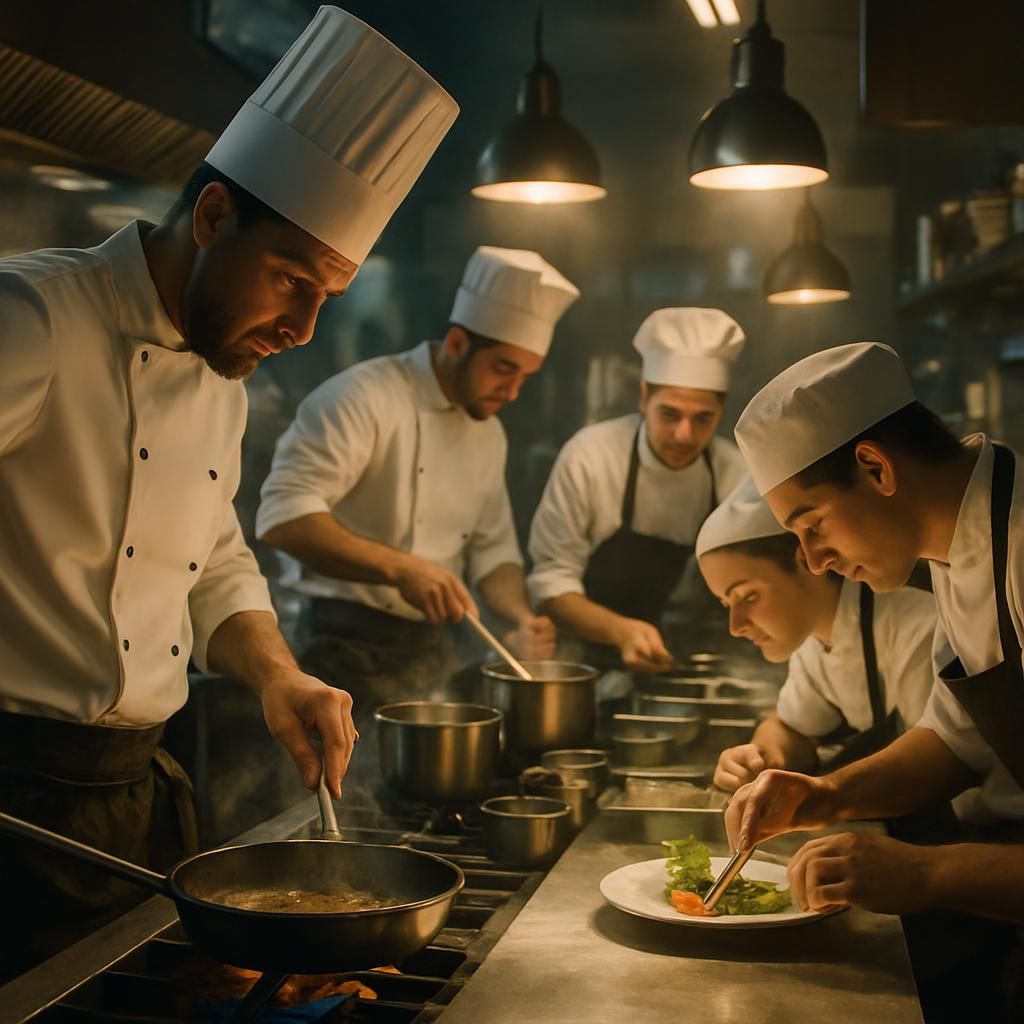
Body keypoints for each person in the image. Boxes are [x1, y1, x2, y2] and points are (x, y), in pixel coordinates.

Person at [0, 5, 457, 978]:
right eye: (291, 279)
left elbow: (214, 557)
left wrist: (278, 676)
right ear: (213, 218)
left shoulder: (222, 370)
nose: (302, 324)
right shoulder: (37, 319)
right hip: (16, 811)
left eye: (326, 295)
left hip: (143, 802)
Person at [727, 342, 1024, 1022]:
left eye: (812, 526)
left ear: (874, 466)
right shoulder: (955, 549)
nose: (815, 561)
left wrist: (927, 873)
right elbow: (956, 739)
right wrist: (824, 795)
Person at [256, 246, 579, 727]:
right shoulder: (363, 398)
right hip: (337, 651)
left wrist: (519, 618)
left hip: (430, 654)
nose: (512, 393)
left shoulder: (489, 432)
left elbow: (494, 551)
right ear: (455, 344)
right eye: (503, 368)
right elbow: (282, 518)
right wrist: (402, 569)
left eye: (525, 377)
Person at [527, 307, 748, 671]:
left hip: (682, 661)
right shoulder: (591, 459)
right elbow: (551, 583)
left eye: (703, 419)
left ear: (721, 412)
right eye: (670, 414)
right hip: (578, 663)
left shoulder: (733, 474)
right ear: (644, 398)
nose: (684, 435)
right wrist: (621, 632)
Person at [695, 476, 938, 793]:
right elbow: (792, 728)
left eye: (748, 597)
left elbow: (933, 764)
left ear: (806, 561)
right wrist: (760, 757)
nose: (736, 626)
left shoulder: (918, 629)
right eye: (727, 603)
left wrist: (827, 795)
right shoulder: (814, 639)